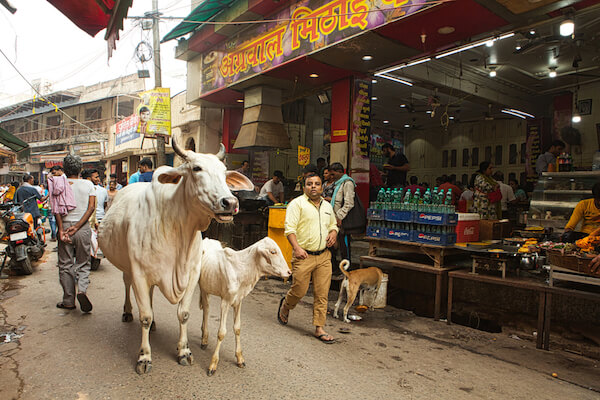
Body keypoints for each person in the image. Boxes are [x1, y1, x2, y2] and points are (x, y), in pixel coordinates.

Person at [277, 173, 338, 343]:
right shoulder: (297, 204)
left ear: (322, 187)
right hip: (304, 256)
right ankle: (286, 305)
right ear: (304, 187)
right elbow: (289, 229)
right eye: (309, 184)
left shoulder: (327, 206)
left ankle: (319, 328)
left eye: (317, 184)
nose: (313, 186)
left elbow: (333, 224)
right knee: (300, 290)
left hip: (324, 256)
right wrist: (296, 248)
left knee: (322, 293)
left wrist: (333, 232)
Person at [55, 154, 96, 313]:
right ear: (80, 169)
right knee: (83, 262)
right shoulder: (88, 184)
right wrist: (78, 226)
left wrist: (60, 228)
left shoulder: (59, 183)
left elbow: (56, 208)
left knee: (65, 264)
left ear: (64, 169)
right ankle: (82, 290)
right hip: (82, 228)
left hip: (64, 226)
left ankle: (68, 301)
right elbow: (91, 208)